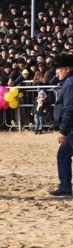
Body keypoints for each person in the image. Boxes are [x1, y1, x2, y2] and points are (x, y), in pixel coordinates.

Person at [50, 53, 73, 197]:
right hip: (70, 129)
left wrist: (63, 131)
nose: (56, 72)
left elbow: (70, 108)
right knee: (63, 155)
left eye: (59, 68)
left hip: (70, 129)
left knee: (63, 156)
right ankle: (65, 187)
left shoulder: (70, 84)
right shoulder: (68, 82)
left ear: (68, 68)